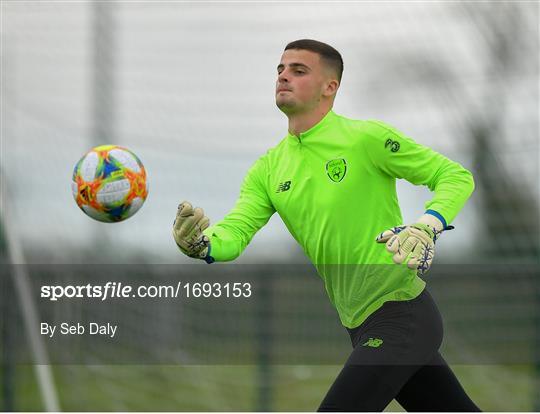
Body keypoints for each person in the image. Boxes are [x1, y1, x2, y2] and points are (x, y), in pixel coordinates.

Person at [172, 39, 480, 412]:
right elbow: (235, 233)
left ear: (329, 87)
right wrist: (203, 244)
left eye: (299, 70)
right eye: (280, 70)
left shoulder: (364, 138)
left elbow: (454, 176)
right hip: (359, 324)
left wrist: (427, 225)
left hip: (401, 313)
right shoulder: (267, 170)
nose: (284, 76)